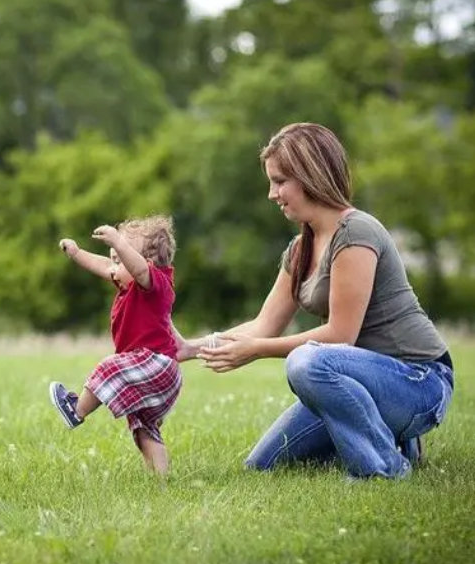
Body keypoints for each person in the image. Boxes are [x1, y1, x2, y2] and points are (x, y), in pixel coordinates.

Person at [193, 122, 454, 480]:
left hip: (418, 380)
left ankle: (383, 469)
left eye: (280, 181)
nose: (272, 194)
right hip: (357, 385)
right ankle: (391, 438)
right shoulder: (300, 249)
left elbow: (339, 336)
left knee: (307, 362)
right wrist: (187, 349)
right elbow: (262, 325)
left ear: (310, 176)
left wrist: (256, 349)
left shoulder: (356, 232)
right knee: (263, 465)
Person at [49, 216, 182, 474]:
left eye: (120, 260)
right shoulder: (129, 284)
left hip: (156, 363)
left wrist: (120, 242)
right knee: (143, 427)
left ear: (147, 263)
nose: (113, 267)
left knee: (110, 366)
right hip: (155, 370)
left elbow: (140, 270)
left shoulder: (156, 284)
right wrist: (77, 253)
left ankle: (76, 410)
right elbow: (103, 266)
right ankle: (161, 480)